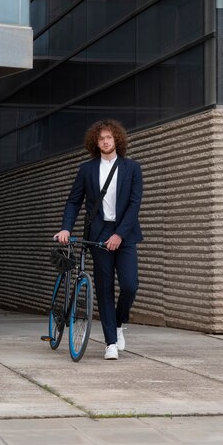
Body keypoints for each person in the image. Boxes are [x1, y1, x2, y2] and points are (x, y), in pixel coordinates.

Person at [54, 119, 143, 360]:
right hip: (99, 233)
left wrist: (119, 235)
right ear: (96, 141)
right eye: (101, 138)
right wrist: (65, 228)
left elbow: (135, 205)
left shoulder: (132, 168)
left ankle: (118, 322)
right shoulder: (87, 169)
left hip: (124, 233)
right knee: (104, 287)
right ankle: (110, 343)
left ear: (117, 140)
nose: (105, 141)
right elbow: (74, 201)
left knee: (129, 285)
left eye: (109, 137)